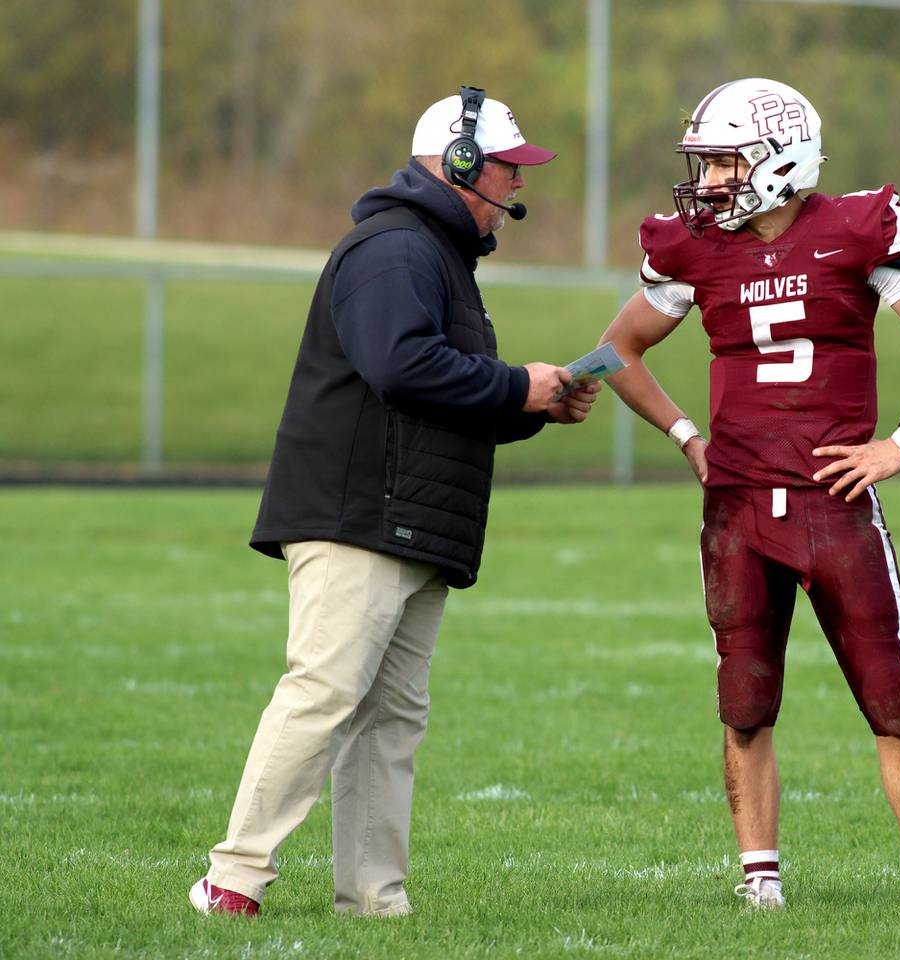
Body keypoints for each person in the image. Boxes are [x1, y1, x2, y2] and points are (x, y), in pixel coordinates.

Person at [189, 86, 600, 918]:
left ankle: (374, 898)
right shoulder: (395, 249)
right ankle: (233, 878)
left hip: (405, 518)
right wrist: (521, 383)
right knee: (326, 689)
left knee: (390, 718)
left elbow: (441, 398)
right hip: (359, 516)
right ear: (458, 163)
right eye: (509, 169)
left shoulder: (434, 255)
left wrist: (533, 406)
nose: (518, 186)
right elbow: (401, 366)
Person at [599, 78, 900, 912]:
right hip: (736, 507)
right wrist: (685, 437)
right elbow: (616, 351)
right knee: (743, 706)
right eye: (703, 166)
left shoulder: (853, 232)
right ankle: (760, 885)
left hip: (831, 500)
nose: (707, 185)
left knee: (893, 701)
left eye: (723, 165)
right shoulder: (693, 248)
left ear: (779, 160)